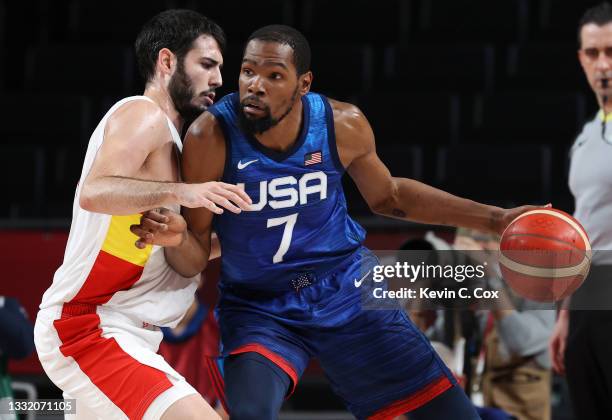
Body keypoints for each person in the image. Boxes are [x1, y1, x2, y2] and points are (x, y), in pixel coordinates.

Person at [135, 25, 538, 420]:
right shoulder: (210, 136)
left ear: (303, 84)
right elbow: (195, 255)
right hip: (260, 304)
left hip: (346, 286)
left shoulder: (342, 124)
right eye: (247, 71)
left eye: (274, 75)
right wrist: (176, 239)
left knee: (454, 414)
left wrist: (496, 218)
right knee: (250, 412)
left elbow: (391, 198)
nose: (255, 85)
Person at [33, 10, 250, 420]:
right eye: (207, 64)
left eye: (221, 67)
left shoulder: (177, 144)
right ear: (166, 61)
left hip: (130, 334)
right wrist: (183, 191)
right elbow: (95, 192)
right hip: (88, 329)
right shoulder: (142, 114)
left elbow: (179, 254)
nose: (219, 79)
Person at [549, 3, 612, 419]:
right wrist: (567, 314)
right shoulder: (587, 135)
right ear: (580, 59)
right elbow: (584, 227)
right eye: (593, 53)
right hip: (590, 294)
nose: (603, 64)